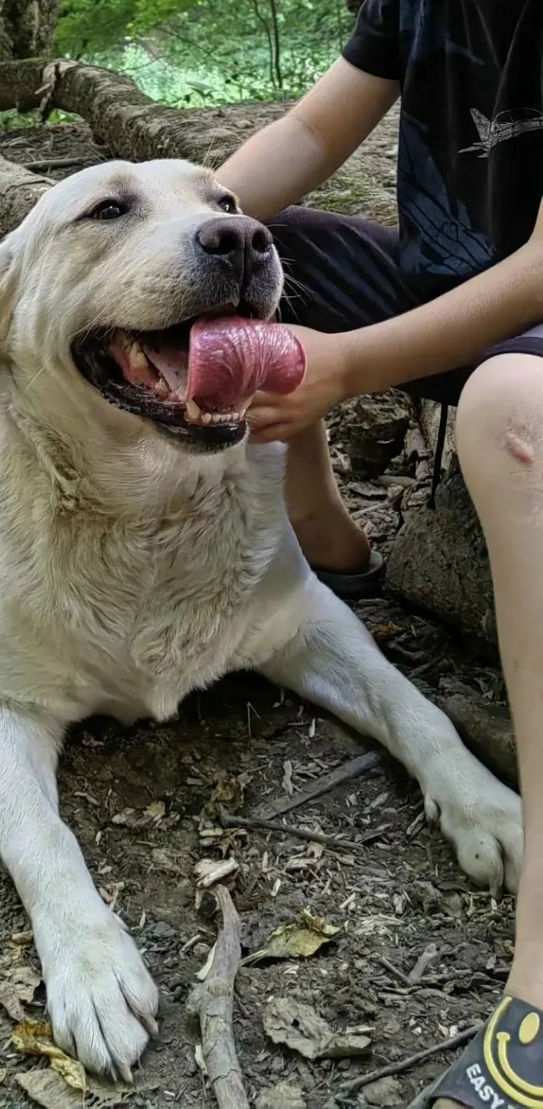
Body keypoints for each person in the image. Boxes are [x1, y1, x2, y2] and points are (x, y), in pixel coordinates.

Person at [214, 1, 543, 1105]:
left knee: (513, 405)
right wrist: (158, 238)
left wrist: (346, 365)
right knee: (263, 266)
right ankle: (333, 551)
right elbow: (305, 141)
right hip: (453, 290)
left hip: (527, 336)